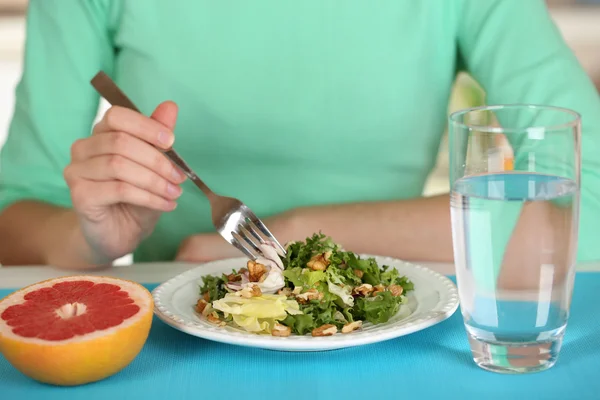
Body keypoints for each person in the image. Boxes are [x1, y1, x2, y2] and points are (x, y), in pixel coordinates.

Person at [1, 0, 599, 269]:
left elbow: (588, 201)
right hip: (172, 344)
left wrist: (293, 237)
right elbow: (13, 215)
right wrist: (88, 240)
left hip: (390, 327)